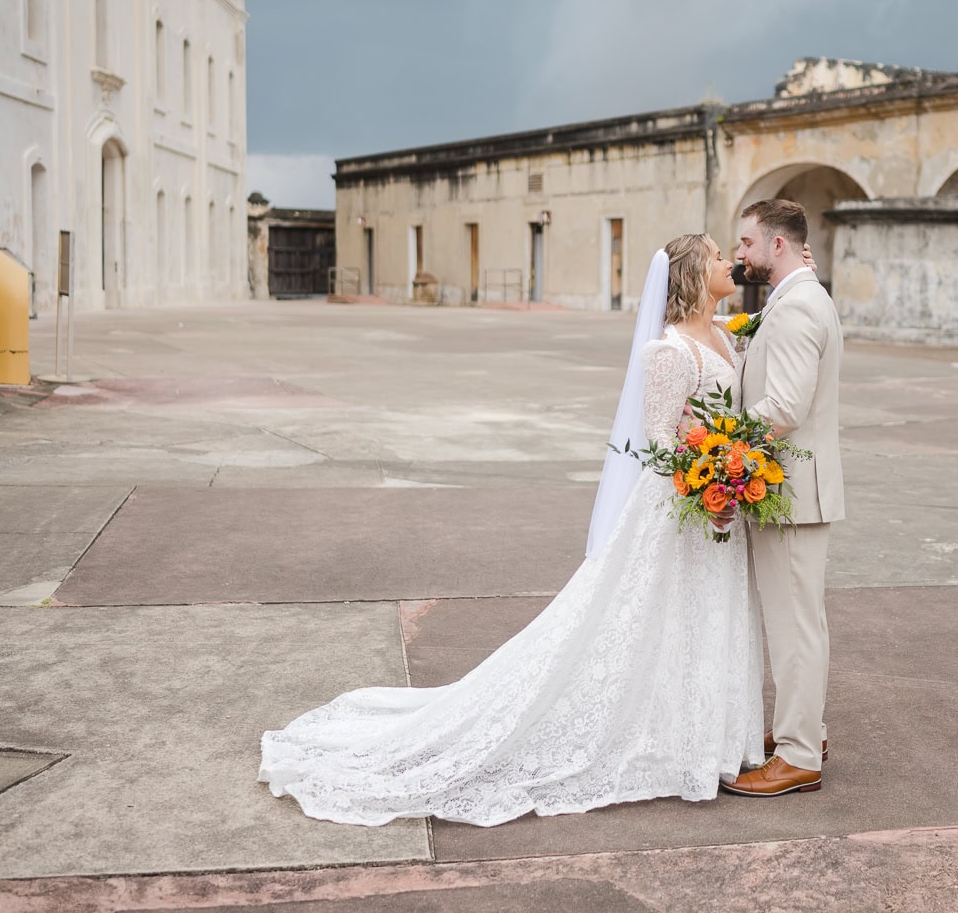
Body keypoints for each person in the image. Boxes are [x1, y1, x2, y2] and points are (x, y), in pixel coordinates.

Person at [259, 234, 766, 827]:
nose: (727, 261)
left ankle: (700, 738)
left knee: (701, 620)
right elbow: (656, 443)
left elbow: (759, 352)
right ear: (689, 274)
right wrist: (705, 485)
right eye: (713, 256)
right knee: (647, 622)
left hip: (719, 506)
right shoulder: (669, 351)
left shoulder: (728, 336)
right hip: (680, 509)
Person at [722, 199, 844, 798]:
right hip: (794, 489)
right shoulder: (799, 298)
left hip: (792, 491)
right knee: (799, 621)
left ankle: (798, 756)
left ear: (777, 245)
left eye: (745, 243)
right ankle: (805, 731)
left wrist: (721, 448)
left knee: (795, 625)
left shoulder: (796, 308)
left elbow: (786, 408)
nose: (739, 254)